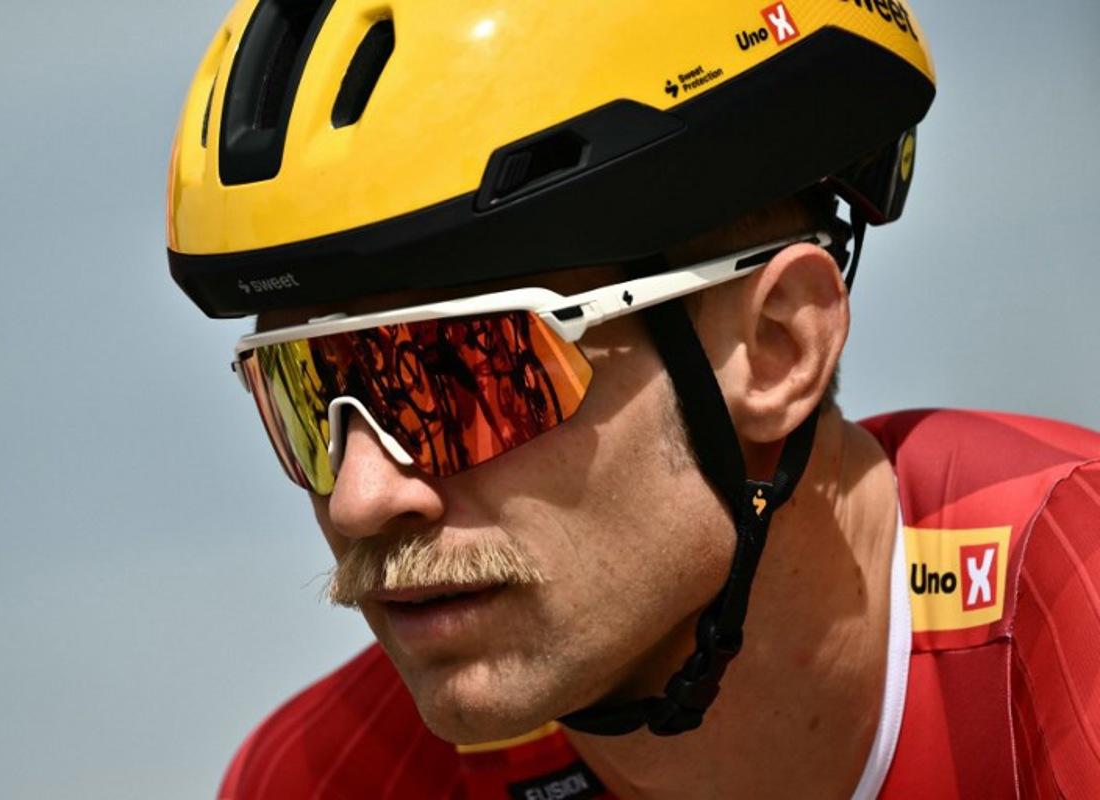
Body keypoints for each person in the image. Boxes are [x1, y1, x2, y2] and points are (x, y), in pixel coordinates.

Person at [167, 1, 1100, 797]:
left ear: (777, 350)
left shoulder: (1074, 603)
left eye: (464, 376)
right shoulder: (325, 777)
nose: (360, 497)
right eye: (304, 393)